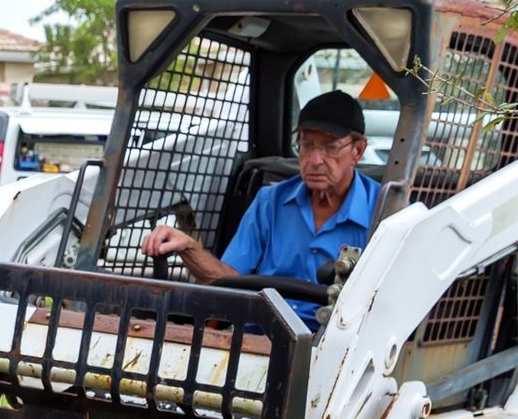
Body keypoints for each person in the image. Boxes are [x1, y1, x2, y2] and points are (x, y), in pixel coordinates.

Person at [140, 90, 377, 327]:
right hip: (260, 334)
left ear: (358, 151)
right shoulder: (270, 201)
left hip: (338, 347)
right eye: (306, 145)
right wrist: (188, 246)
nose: (315, 160)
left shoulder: (384, 210)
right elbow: (227, 280)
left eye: (330, 147)